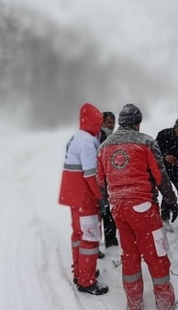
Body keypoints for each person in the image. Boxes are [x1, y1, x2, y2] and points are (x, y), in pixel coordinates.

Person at [97, 104, 178, 310]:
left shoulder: (104, 147)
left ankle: (134, 304)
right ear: (137, 123)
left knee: (130, 257)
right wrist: (171, 199)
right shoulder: (146, 142)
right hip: (143, 209)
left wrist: (112, 201)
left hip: (119, 210)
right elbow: (160, 175)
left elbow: (101, 181)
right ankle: (165, 303)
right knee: (156, 255)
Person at [58, 103, 109, 295]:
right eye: (99, 122)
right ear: (93, 121)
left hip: (74, 197)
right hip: (85, 198)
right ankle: (87, 281)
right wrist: (101, 195)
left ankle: (80, 271)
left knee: (79, 235)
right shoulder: (88, 142)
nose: (100, 126)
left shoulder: (76, 137)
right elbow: (90, 174)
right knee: (90, 237)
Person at [99, 111, 119, 248]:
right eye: (108, 122)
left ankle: (111, 237)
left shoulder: (111, 136)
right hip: (103, 178)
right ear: (102, 122)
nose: (111, 125)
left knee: (109, 209)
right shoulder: (101, 137)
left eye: (113, 122)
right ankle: (109, 239)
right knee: (105, 210)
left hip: (110, 178)